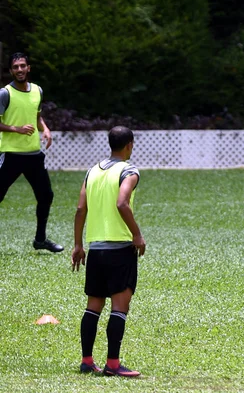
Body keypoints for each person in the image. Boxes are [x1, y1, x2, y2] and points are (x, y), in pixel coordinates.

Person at [71, 126, 146, 377]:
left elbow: (81, 209)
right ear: (129, 145)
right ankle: (113, 365)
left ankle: (86, 361)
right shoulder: (129, 171)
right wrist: (137, 234)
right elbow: (122, 202)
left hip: (95, 250)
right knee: (119, 307)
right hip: (120, 249)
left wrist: (78, 245)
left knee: (93, 306)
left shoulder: (92, 171)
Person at [0, 52, 63, 252]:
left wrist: (45, 128)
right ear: (11, 71)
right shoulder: (5, 94)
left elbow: (37, 116)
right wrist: (15, 129)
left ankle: (40, 240)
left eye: (22, 66)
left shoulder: (38, 91)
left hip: (33, 155)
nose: (19, 70)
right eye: (15, 67)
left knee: (46, 196)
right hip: (9, 154)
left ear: (29, 68)